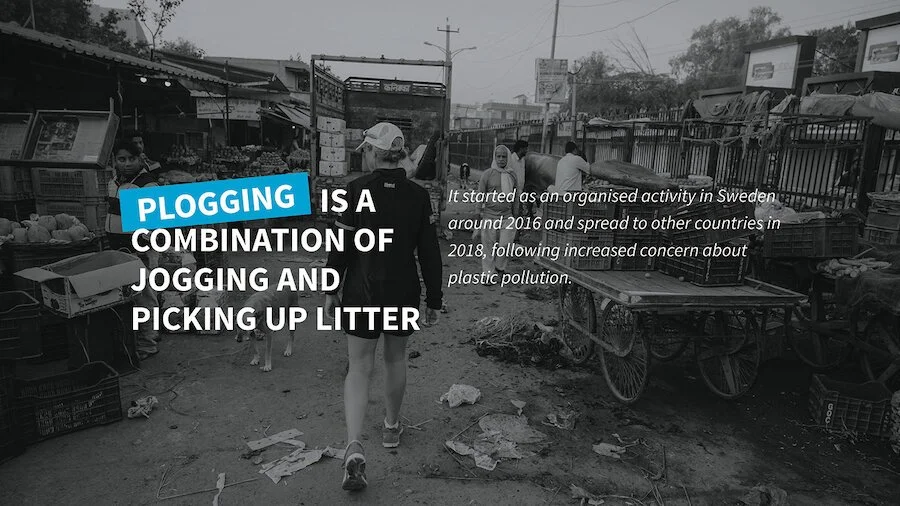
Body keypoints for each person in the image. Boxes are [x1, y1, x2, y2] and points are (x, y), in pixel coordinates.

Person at [324, 122, 443, 492]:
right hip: (403, 290)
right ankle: (391, 428)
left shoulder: (353, 192)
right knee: (395, 359)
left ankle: (354, 443)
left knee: (359, 367)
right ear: (399, 154)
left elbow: (340, 248)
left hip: (362, 291)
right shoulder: (418, 197)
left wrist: (330, 289)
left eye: (366, 150)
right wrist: (434, 298)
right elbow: (429, 253)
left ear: (374, 153)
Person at [105, 140, 161, 360]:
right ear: (115, 161)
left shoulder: (147, 185)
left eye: (131, 159)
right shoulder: (115, 183)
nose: (127, 163)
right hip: (119, 249)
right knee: (132, 297)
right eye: (121, 159)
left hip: (138, 251)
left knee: (144, 297)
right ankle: (147, 335)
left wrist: (139, 248)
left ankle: (147, 344)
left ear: (140, 159)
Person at [477, 145, 518, 283]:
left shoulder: (512, 175)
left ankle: (500, 268)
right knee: (488, 247)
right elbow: (480, 195)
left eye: (504, 156)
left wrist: (517, 218)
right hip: (490, 216)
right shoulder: (487, 174)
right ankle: (488, 274)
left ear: (508, 158)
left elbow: (516, 198)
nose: (501, 159)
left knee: (504, 246)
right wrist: (478, 216)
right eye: (498, 156)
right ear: (494, 157)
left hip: (507, 216)